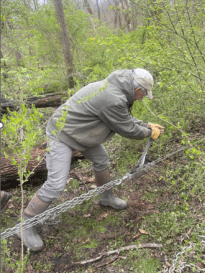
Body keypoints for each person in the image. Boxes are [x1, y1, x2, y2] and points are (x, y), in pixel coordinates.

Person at [17, 68, 164, 251]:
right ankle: (25, 224)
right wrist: (148, 132)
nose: (143, 98)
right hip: (62, 133)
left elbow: (123, 118)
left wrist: (146, 125)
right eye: (144, 94)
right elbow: (126, 128)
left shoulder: (117, 89)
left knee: (101, 160)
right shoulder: (113, 97)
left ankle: (106, 197)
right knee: (56, 184)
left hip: (80, 131)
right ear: (138, 90)